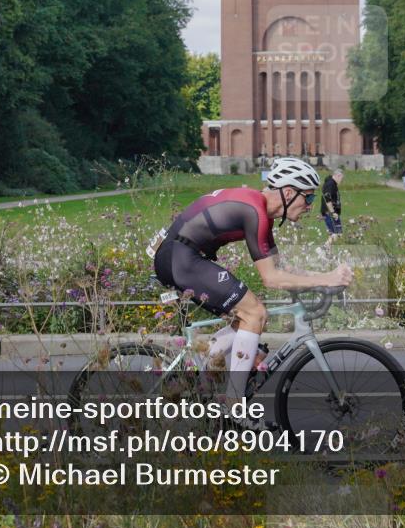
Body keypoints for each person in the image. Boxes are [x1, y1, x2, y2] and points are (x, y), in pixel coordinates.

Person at [151, 157, 353, 430]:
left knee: (251, 320)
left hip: (181, 255)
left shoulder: (261, 215)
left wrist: (322, 279)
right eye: (308, 197)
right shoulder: (254, 212)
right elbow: (271, 279)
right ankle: (234, 406)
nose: (309, 206)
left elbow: (282, 270)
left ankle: (203, 368)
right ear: (289, 192)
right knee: (254, 312)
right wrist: (326, 279)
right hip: (180, 257)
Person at [320, 169, 344, 236]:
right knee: (335, 234)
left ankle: (326, 246)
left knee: (338, 234)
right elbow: (327, 198)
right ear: (338, 175)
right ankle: (323, 247)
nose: (342, 181)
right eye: (342, 178)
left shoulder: (333, 184)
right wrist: (333, 212)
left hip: (334, 214)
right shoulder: (330, 184)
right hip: (330, 213)